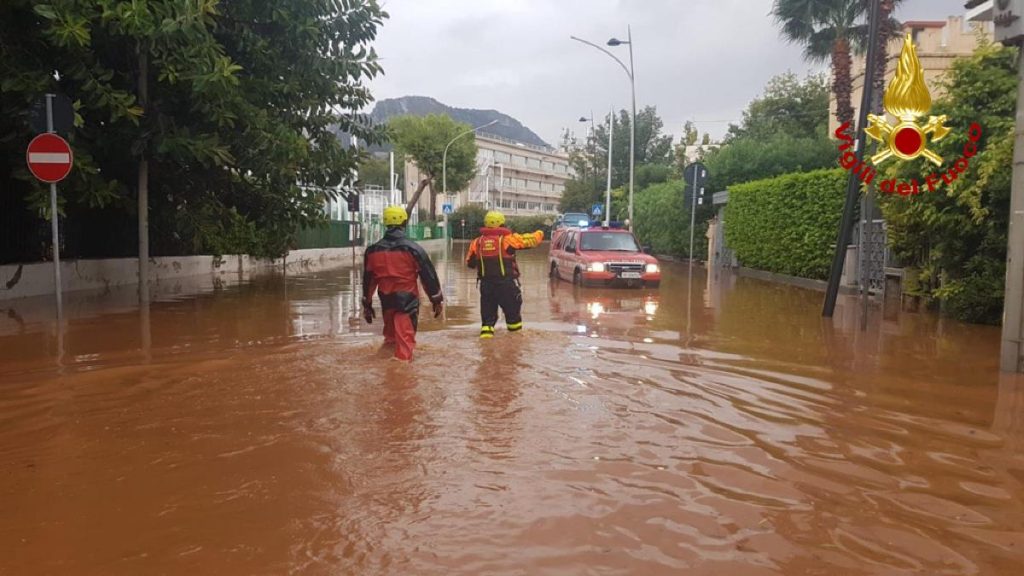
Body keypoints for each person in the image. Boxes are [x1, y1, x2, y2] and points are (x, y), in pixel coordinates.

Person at [362, 205, 444, 361]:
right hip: (407, 302)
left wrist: (367, 304)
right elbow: (428, 277)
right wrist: (436, 300)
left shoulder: (372, 250)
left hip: (386, 301)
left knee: (390, 340)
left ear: (385, 223)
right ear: (404, 223)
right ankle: (401, 377)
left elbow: (368, 280)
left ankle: (386, 369)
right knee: (404, 345)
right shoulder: (413, 249)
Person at [466, 211, 544, 339]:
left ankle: (486, 349)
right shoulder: (508, 240)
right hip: (507, 286)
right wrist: (540, 232)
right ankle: (514, 347)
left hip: (486, 287)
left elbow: (470, 263)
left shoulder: (477, 243)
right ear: (502, 224)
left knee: (487, 323)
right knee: (514, 320)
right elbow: (531, 241)